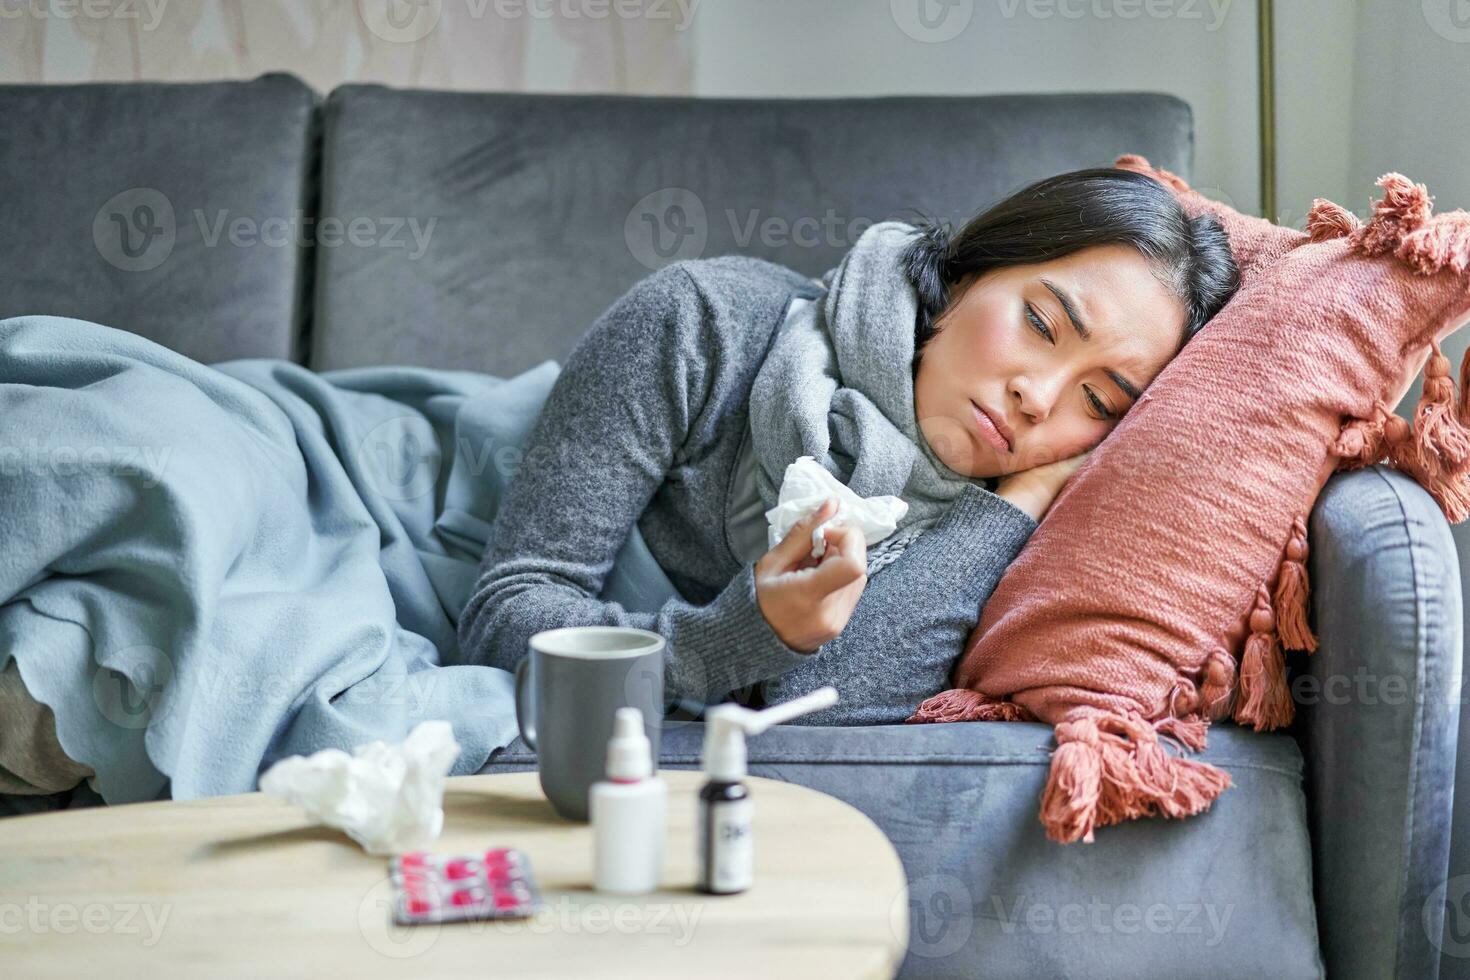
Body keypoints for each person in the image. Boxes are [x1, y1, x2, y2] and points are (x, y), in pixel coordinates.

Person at [454, 168, 1239, 725]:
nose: (1039, 398)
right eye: (1040, 324)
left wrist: (1013, 508)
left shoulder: (1011, 503)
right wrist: (742, 635)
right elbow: (502, 618)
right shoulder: (698, 325)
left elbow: (836, 703)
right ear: (971, 269)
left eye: (1098, 400)